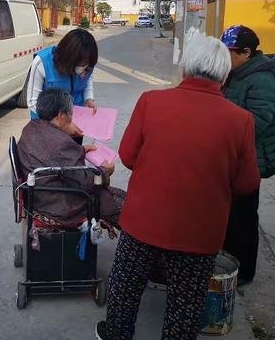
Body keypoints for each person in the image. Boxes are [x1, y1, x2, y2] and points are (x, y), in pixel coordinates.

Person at [96, 33, 260, 340]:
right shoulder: (241, 121)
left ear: (186, 68)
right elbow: (247, 183)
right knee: (185, 302)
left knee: (127, 285)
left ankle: (117, 333)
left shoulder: (151, 101)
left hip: (143, 222)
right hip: (199, 232)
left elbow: (129, 156)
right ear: (225, 74)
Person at [17, 88, 125, 227]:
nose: (72, 118)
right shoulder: (60, 143)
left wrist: (79, 149)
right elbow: (85, 181)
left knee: (120, 197)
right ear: (61, 115)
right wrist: (105, 171)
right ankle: (136, 245)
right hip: (60, 203)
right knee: (123, 206)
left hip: (40, 194)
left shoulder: (31, 127)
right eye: (71, 114)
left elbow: (54, 158)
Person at [220, 25, 275, 285]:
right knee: (230, 212)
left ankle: (243, 271)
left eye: (229, 52)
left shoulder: (261, 78)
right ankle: (227, 259)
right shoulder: (236, 73)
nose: (224, 57)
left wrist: (226, 128)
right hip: (234, 153)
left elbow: (260, 120)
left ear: (246, 52)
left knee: (243, 216)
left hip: (251, 158)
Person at [27, 29, 98, 140]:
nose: (84, 68)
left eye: (86, 64)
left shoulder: (87, 64)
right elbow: (32, 101)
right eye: (81, 64)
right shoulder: (42, 62)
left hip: (75, 124)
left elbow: (87, 80)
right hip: (47, 129)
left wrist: (89, 99)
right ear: (68, 58)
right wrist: (60, 124)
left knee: (74, 155)